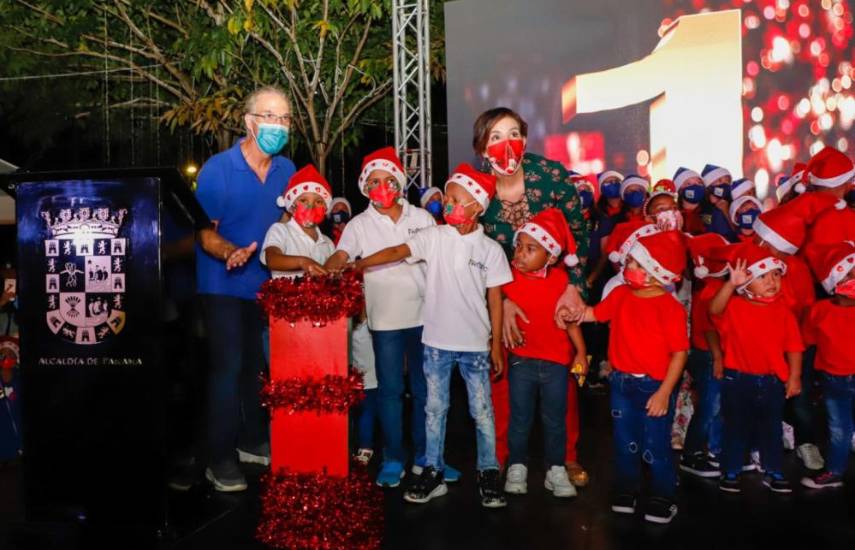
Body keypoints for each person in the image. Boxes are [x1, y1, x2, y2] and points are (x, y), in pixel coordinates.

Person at [355, 163, 511, 508]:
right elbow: (397, 252)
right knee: (434, 410)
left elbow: (495, 300)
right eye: (448, 198)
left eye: (455, 199)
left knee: (482, 412)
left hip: (475, 346)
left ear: (477, 206)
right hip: (437, 344)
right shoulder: (434, 237)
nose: (447, 205)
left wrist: (496, 345)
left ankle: (488, 472)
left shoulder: (491, 250)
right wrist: (360, 264)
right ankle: (432, 470)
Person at [471, 107, 590, 486]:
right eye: (495, 137)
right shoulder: (475, 189)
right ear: (482, 148)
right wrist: (501, 303)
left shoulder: (551, 176)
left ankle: (566, 456)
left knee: (561, 376)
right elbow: (472, 253)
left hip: (553, 290)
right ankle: (501, 455)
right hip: (499, 293)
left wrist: (572, 286)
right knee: (501, 375)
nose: (506, 144)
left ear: (524, 138)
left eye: (513, 133)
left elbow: (578, 234)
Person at [324, 147, 450, 487]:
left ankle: (428, 457)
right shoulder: (358, 224)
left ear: (400, 181)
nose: (382, 187)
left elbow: (438, 264)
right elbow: (342, 254)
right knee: (390, 391)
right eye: (374, 182)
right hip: (384, 322)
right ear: (364, 187)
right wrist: (331, 265)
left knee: (425, 391)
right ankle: (394, 458)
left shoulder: (422, 218)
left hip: (425, 318)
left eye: (389, 180)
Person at [194, 85, 296, 492]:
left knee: (256, 367)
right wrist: (230, 252)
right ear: (249, 121)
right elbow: (205, 233)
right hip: (221, 281)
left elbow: (288, 221)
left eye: (285, 118)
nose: (278, 126)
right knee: (228, 367)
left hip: (263, 286)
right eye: (270, 116)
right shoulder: (219, 169)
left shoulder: (287, 170)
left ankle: (252, 441)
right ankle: (218, 459)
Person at [572, 230, 689, 525]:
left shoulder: (670, 308)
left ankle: (663, 494)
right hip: (622, 383)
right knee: (625, 442)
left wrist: (664, 392)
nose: (628, 267)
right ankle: (627, 487)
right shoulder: (621, 294)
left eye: (637, 264)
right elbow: (595, 314)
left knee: (656, 444)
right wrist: (574, 312)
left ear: (657, 273)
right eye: (630, 261)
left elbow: (679, 354)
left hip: (654, 386)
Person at [502, 208, 586, 499]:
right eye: (519, 246)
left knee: (555, 419)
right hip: (521, 361)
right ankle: (517, 466)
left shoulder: (561, 280)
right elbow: (491, 300)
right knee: (520, 417)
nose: (520, 254)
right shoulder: (507, 277)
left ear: (550, 257)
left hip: (556, 364)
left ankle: (556, 469)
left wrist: (581, 353)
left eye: (530, 249)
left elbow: (570, 320)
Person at [708, 242, 803, 495]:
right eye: (762, 276)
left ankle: (774, 471)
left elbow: (794, 347)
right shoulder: (735, 307)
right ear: (746, 284)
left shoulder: (784, 312)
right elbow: (713, 310)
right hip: (738, 379)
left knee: (771, 428)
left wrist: (794, 376)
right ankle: (731, 470)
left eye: (776, 274)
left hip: (772, 381)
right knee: (735, 427)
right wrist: (731, 284)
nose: (772, 281)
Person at [800, 241, 855, 489]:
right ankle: (834, 471)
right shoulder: (819, 311)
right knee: (839, 429)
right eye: (849, 276)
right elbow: (807, 340)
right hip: (834, 381)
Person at [679, 233, 730, 478]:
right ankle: (692, 453)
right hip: (708, 355)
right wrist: (718, 357)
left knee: (716, 406)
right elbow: (709, 328)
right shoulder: (711, 290)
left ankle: (714, 450)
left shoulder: (713, 287)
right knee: (710, 407)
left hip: (711, 354)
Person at [261, 164, 335, 279]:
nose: (311, 207)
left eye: (318, 202)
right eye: (303, 200)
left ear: (325, 208)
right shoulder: (280, 230)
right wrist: (302, 262)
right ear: (291, 206)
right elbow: (271, 259)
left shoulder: (328, 243)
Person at [700, 164, 737, 242]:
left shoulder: (733, 206)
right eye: (719, 180)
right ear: (709, 184)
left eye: (727, 182)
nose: (724, 184)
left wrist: (726, 212)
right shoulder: (699, 206)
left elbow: (738, 235)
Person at [673, 167, 706, 235]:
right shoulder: (674, 215)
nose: (696, 185)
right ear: (680, 190)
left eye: (699, 183)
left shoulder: (712, 212)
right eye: (689, 184)